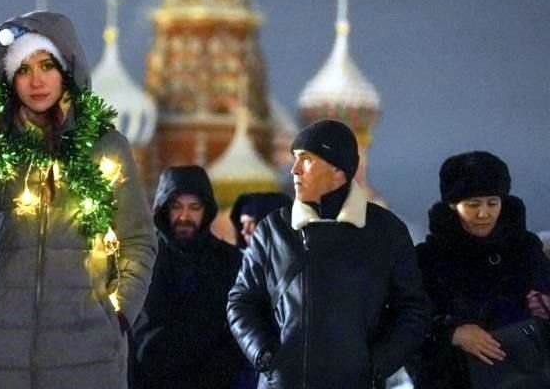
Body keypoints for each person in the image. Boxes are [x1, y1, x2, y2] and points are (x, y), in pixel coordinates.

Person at [0, 11, 156, 389]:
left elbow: (137, 241)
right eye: (23, 69)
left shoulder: (105, 148)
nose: (37, 80)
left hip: (87, 353)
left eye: (47, 65)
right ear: (8, 78)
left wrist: (116, 317)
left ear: (68, 70)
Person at [227, 119, 427, 389]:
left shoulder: (385, 232)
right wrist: (265, 356)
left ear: (338, 170)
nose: (294, 169)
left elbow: (412, 309)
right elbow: (242, 301)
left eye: (306, 159)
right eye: (294, 159)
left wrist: (377, 365)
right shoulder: (274, 230)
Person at [411, 151, 550, 388]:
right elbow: (409, 319)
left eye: (492, 203)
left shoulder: (527, 248)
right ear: (453, 205)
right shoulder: (428, 258)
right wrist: (452, 334)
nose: (484, 213)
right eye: (473, 204)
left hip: (529, 375)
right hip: (456, 378)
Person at [131, 165, 245, 389]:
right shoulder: (141, 257)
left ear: (206, 210)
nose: (185, 216)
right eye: (176, 207)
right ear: (164, 209)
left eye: (194, 207)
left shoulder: (229, 261)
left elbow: (237, 331)